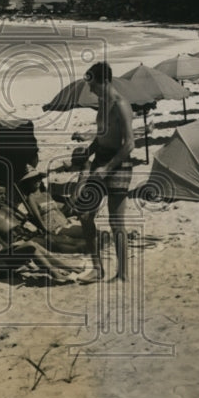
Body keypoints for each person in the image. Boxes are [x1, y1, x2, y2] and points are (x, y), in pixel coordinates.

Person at [75, 61, 135, 283]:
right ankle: (97, 269)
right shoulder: (102, 102)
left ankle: (123, 274)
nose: (91, 90)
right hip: (100, 160)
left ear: (105, 81)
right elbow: (101, 136)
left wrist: (107, 168)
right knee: (85, 215)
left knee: (116, 222)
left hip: (118, 164)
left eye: (93, 85)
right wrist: (89, 151)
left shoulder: (121, 105)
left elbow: (129, 144)